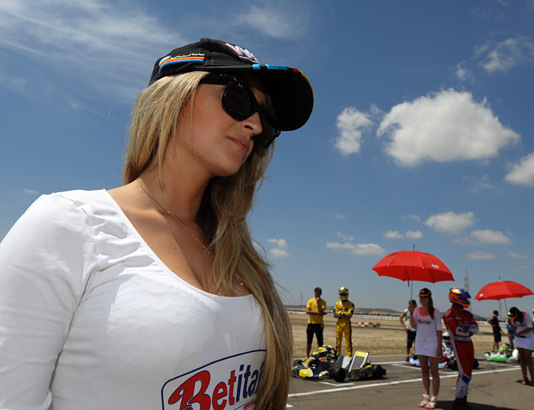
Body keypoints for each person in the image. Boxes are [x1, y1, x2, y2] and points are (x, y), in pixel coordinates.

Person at [0, 37, 313, 410]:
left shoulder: (237, 254)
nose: (255, 125)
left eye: (269, 122)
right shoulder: (68, 226)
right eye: (239, 97)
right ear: (175, 96)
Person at [444, 287, 478, 410]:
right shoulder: (449, 313)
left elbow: (476, 329)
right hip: (457, 344)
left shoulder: (468, 314)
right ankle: (458, 401)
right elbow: (457, 331)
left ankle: (463, 399)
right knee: (464, 373)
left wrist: (466, 330)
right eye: (464, 298)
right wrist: (467, 330)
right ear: (455, 298)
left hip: (469, 343)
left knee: (469, 373)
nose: (466, 300)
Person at [409, 288, 442, 409]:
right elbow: (413, 326)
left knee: (434, 371)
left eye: (425, 298)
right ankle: (426, 396)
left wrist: (439, 346)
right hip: (420, 343)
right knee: (424, 371)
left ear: (429, 298)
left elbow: (439, 330)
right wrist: (411, 312)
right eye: (421, 298)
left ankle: (434, 397)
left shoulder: (436, 312)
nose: (422, 300)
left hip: (432, 343)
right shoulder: (416, 310)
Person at [508, 307, 534, 386]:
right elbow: (514, 328)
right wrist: (510, 322)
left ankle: (533, 378)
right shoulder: (512, 318)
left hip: (527, 339)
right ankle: (524, 378)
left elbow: (530, 327)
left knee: (528, 358)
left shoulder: (525, 315)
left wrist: (520, 333)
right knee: (521, 358)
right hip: (519, 340)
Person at [334, 286, 355, 357]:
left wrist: (342, 313)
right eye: (341, 293)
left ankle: (349, 355)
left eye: (344, 293)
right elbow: (334, 314)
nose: (343, 295)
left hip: (347, 323)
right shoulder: (337, 304)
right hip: (339, 323)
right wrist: (338, 315)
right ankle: (338, 354)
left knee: (348, 341)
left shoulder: (351, 304)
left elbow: (350, 314)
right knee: (338, 341)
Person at [306, 287, 327, 358]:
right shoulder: (310, 301)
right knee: (309, 341)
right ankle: (307, 356)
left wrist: (318, 303)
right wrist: (317, 313)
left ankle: (320, 356)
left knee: (320, 342)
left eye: (319, 292)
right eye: (316, 292)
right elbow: (308, 311)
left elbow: (321, 311)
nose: (317, 293)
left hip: (319, 324)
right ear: (314, 292)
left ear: (321, 293)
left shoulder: (323, 302)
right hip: (311, 323)